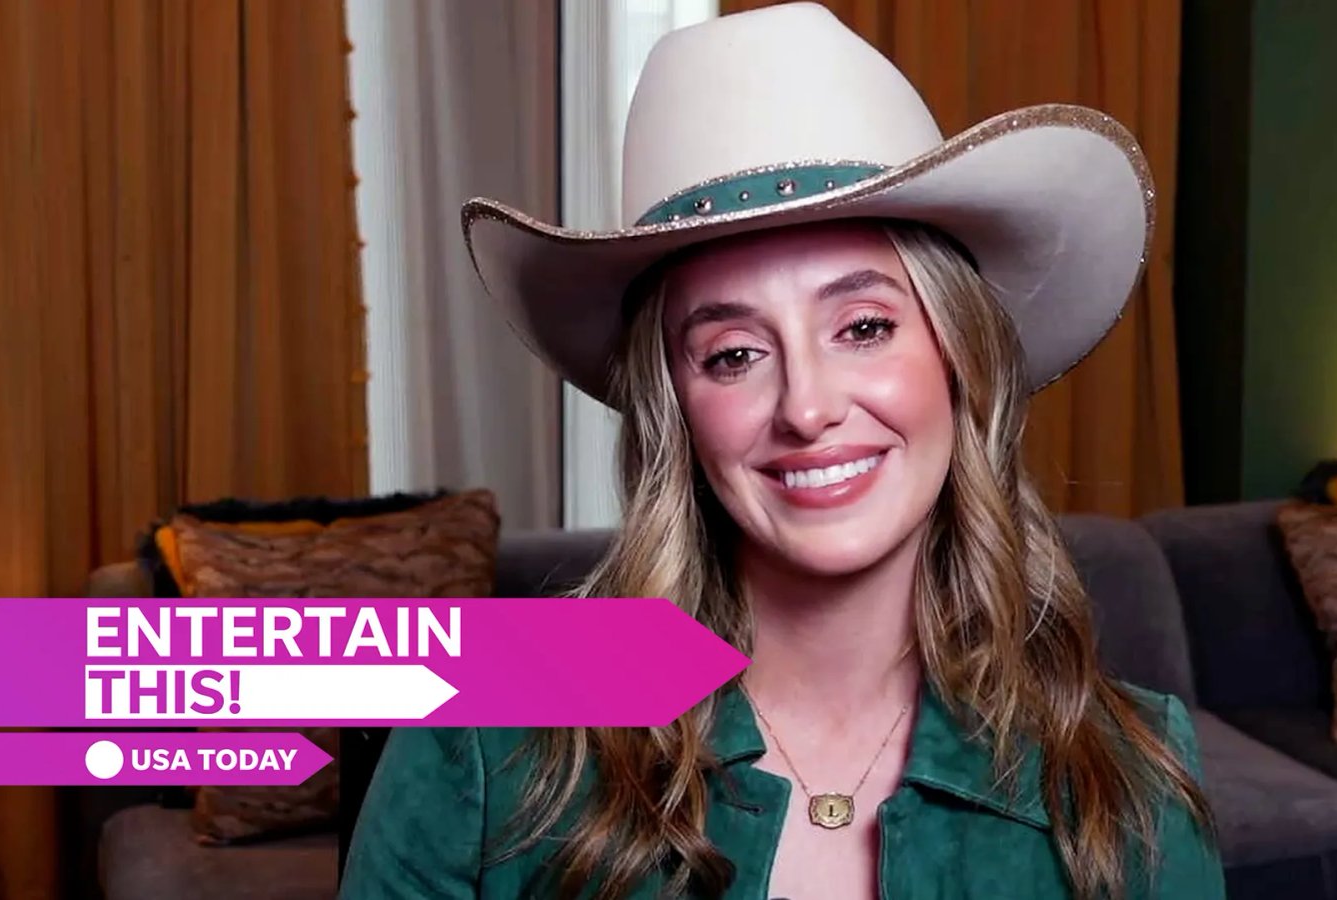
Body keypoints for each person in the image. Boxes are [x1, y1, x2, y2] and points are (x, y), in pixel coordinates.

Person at [342, 3, 1225, 898]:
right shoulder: (486, 724)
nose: (806, 408)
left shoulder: (1129, 775)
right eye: (733, 355)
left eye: (865, 326)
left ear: (959, 362)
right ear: (675, 410)